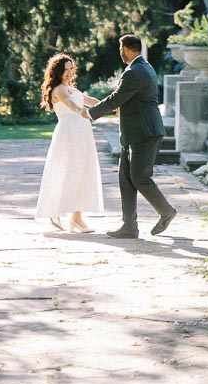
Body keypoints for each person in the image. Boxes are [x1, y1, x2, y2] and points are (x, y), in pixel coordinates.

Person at [87, 34, 177, 240]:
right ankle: (129, 226)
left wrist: (90, 113)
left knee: (139, 177)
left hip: (144, 132)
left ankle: (167, 212)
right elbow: (131, 98)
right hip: (135, 131)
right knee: (126, 179)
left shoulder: (134, 71)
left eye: (121, 48)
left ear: (127, 49)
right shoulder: (144, 67)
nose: (119, 52)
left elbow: (116, 98)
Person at [34, 53, 104, 232]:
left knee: (82, 173)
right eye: (65, 70)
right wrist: (87, 113)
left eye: (71, 69)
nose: (69, 73)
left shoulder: (72, 88)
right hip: (68, 136)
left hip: (83, 135)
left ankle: (77, 218)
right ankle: (54, 211)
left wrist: (114, 106)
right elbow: (74, 107)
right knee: (65, 173)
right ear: (57, 71)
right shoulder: (59, 89)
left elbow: (92, 101)